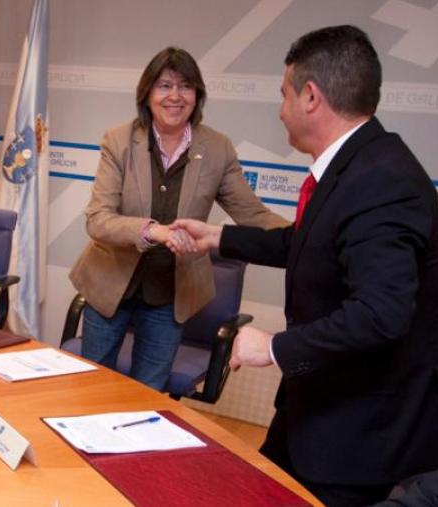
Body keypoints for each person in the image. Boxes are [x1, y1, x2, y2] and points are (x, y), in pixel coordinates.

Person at [168, 26, 438, 506]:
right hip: (323, 406)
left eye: (284, 94)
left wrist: (275, 346)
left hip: (368, 435)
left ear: (310, 96)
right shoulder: (359, 163)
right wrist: (220, 237)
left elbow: (380, 314)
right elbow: (307, 243)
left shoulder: (383, 181)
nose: (280, 107)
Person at [68, 47, 287, 391]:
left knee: (148, 396)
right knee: (93, 388)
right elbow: (98, 220)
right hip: (109, 286)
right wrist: (152, 231)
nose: (175, 96)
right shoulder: (119, 140)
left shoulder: (217, 148)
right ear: (147, 94)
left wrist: (307, 235)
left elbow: (253, 214)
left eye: (185, 86)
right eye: (164, 86)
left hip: (171, 295)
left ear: (197, 95)